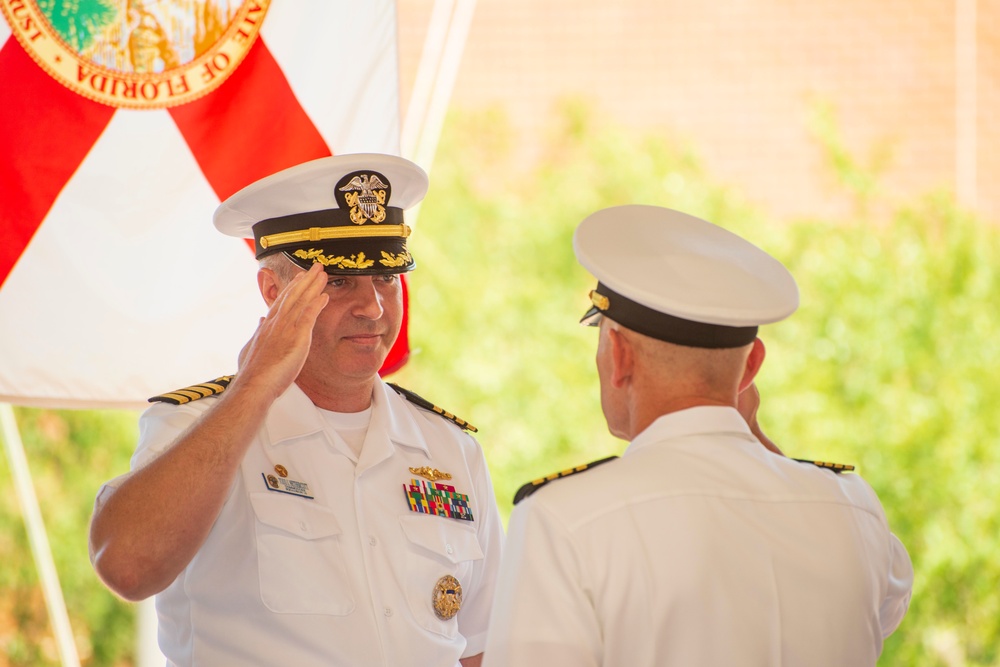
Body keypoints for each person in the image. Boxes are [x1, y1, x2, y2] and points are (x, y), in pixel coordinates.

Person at [89, 154, 504, 667]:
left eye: (386, 278)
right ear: (272, 292)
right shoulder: (195, 425)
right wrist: (254, 388)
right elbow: (127, 566)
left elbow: (482, 647)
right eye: (339, 282)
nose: (372, 307)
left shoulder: (450, 449)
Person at [482, 205, 913, 667]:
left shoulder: (562, 519)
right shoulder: (854, 511)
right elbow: (888, 603)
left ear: (619, 354)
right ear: (751, 366)